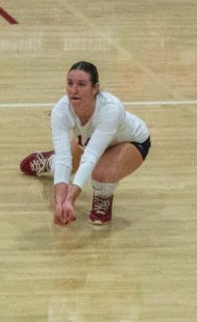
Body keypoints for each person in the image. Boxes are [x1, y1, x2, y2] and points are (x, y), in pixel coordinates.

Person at [18, 62, 150, 226]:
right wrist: (59, 202)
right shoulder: (60, 110)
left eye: (81, 85)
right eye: (70, 83)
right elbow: (64, 159)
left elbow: (90, 157)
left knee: (100, 173)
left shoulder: (111, 109)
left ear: (95, 88)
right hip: (89, 142)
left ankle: (103, 196)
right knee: (62, 164)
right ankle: (49, 161)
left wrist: (70, 200)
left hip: (131, 142)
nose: (73, 90)